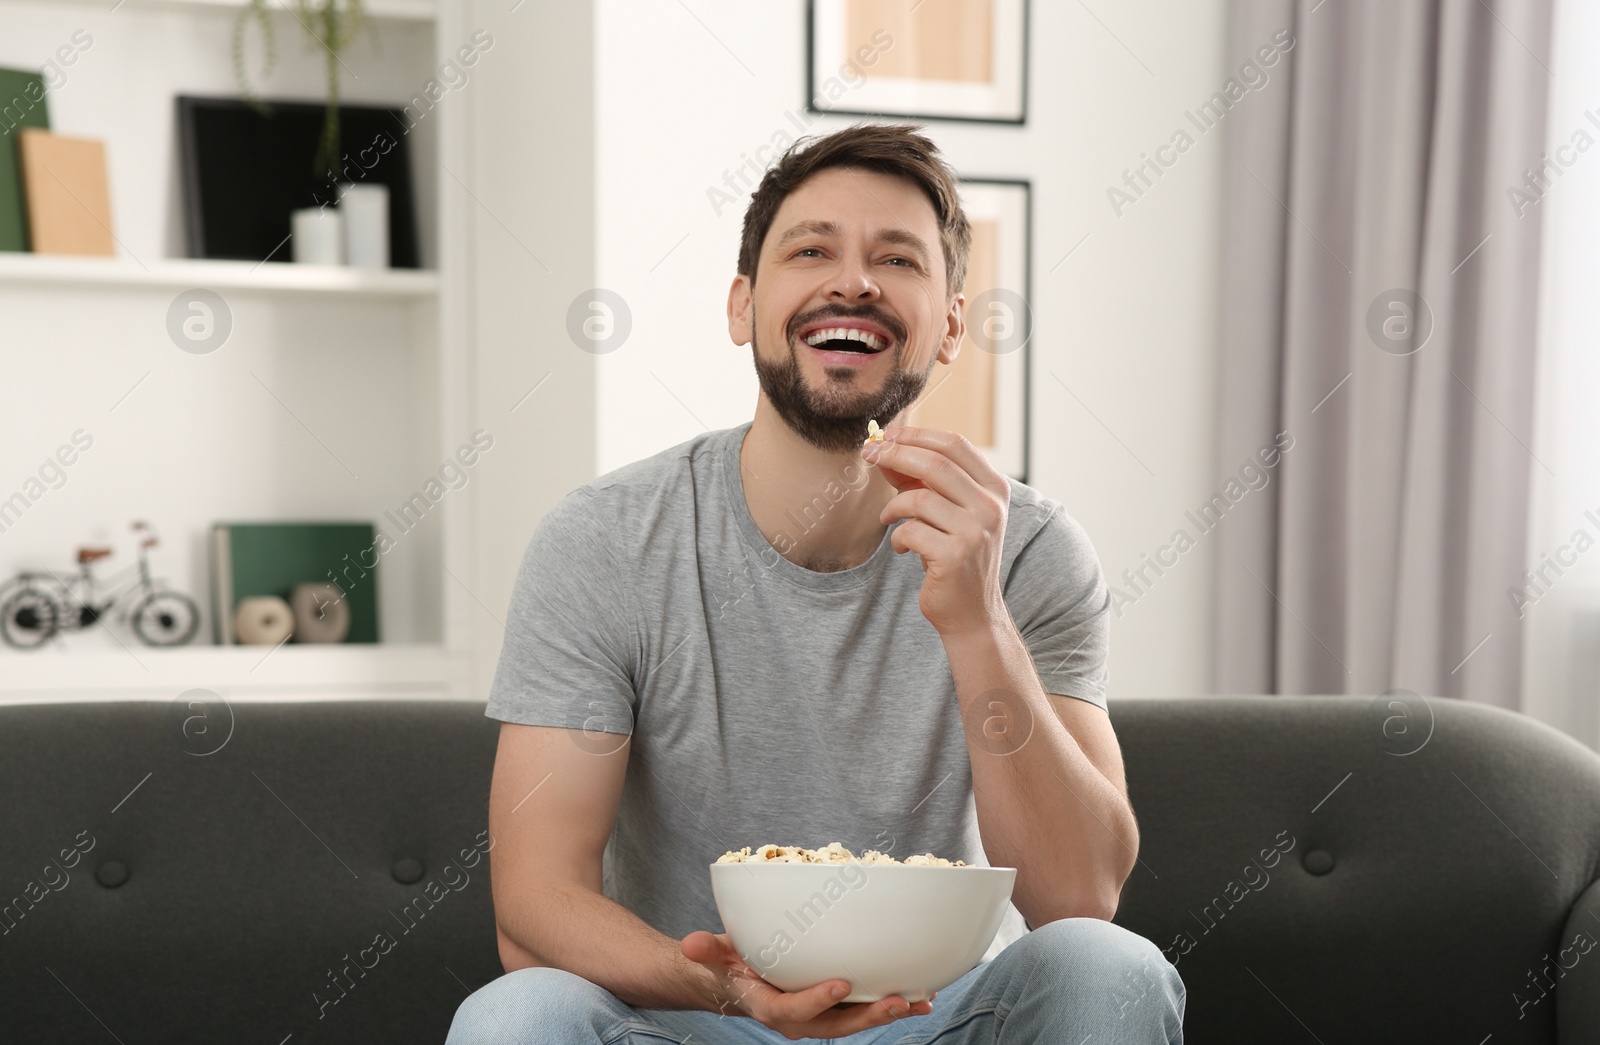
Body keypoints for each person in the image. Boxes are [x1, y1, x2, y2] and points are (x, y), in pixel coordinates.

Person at [447, 123, 1185, 1043]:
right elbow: (534, 903)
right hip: (691, 1012)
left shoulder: (1027, 548)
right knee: (515, 1013)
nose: (854, 282)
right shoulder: (604, 540)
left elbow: (1079, 897)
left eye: (896, 258)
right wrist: (728, 990)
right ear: (742, 306)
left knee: (1109, 969)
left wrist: (979, 624)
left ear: (952, 324)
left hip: (939, 1017)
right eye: (811, 250)